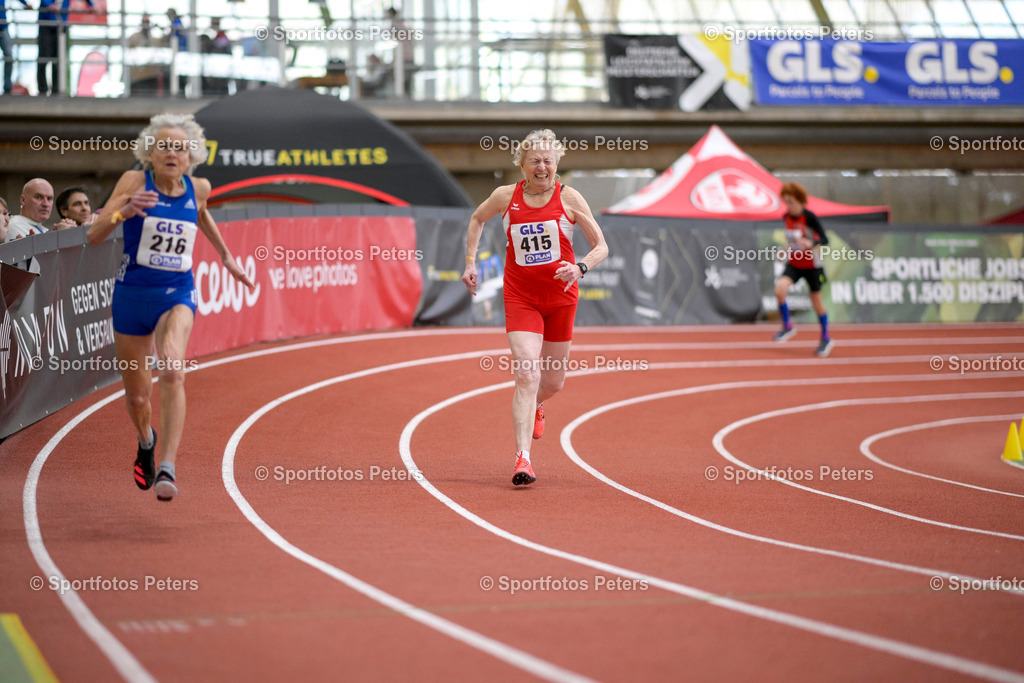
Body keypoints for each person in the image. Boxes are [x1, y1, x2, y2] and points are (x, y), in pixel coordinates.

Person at [87, 113, 254, 502]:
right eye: (164, 146)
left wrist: (227, 257)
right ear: (150, 151)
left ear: (191, 155)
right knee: (137, 398)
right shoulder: (133, 182)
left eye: (180, 147)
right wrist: (122, 212)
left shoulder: (199, 187)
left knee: (174, 368)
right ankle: (146, 440)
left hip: (176, 292)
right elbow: (95, 235)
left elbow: (199, 211)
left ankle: (168, 465)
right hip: (131, 296)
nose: (172, 153)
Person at [461, 129, 608, 486]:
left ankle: (539, 404)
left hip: (561, 299)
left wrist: (580, 267)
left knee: (553, 382)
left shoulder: (570, 198)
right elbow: (478, 218)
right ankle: (523, 459)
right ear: (522, 164)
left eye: (548, 161)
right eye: (535, 161)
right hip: (520, 296)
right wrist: (470, 262)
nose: (542, 167)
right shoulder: (505, 196)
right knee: (527, 374)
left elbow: (601, 246)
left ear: (557, 164)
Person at [772, 181, 833, 358]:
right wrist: (784, 250)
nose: (788, 206)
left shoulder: (810, 217)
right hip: (795, 263)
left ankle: (825, 337)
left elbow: (824, 239)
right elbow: (791, 240)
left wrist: (811, 243)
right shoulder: (786, 217)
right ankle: (787, 326)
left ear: (800, 201)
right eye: (786, 202)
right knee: (780, 289)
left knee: (817, 302)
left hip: (813, 265)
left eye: (791, 202)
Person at [36, 0, 94, 96]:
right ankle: (42, 89)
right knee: (44, 58)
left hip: (61, 26)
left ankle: (56, 89)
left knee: (59, 59)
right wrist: (49, 5)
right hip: (46, 25)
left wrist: (92, 5)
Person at [1, 0, 33, 95]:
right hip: (3, 27)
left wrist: (25, 4)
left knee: (9, 56)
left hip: (3, 27)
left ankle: (7, 88)